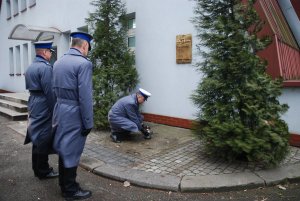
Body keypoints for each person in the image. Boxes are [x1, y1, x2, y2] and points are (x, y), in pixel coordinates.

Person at [52, 32, 93, 200]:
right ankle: (70, 190)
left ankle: (64, 184)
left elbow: (54, 89)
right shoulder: (83, 64)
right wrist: (88, 122)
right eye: (88, 48)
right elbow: (85, 96)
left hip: (60, 110)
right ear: (84, 46)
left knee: (64, 148)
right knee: (72, 151)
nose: (88, 51)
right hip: (75, 112)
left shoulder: (58, 62)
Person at [24, 41, 58, 179]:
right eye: (50, 51)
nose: (50, 54)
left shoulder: (31, 66)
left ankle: (37, 168)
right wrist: (56, 111)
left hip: (33, 101)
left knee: (36, 136)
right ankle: (43, 170)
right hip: (43, 103)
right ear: (44, 52)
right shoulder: (45, 68)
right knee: (43, 137)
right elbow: (50, 92)